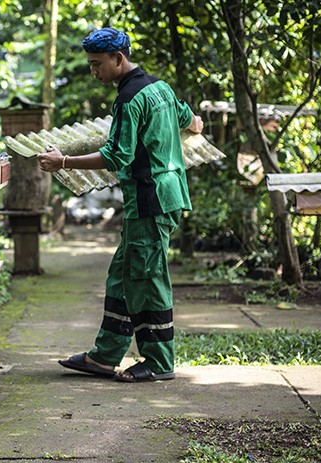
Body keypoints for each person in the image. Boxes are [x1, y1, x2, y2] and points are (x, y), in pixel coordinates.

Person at [37, 26, 203, 382]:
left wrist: (62, 161)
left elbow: (117, 156)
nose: (94, 71)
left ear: (118, 58)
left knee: (147, 278)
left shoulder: (129, 98)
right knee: (121, 277)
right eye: (90, 65)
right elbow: (185, 114)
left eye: (97, 64)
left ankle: (159, 362)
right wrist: (194, 124)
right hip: (162, 195)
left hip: (150, 200)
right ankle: (104, 356)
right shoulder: (159, 87)